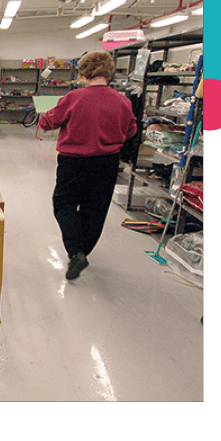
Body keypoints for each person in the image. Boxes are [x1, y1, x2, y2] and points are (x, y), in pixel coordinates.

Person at [35, 51, 136, 280]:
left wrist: (45, 120)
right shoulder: (123, 101)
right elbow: (131, 131)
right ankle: (84, 250)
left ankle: (76, 252)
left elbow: (49, 121)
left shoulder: (75, 97)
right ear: (108, 72)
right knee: (96, 208)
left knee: (64, 203)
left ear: (84, 72)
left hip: (74, 161)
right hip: (107, 162)